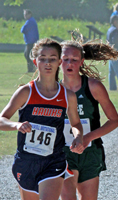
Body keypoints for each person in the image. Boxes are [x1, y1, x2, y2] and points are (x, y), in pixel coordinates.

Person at [0, 38, 84, 200]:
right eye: (43, 58)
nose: (47, 63)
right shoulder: (25, 92)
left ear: (59, 62)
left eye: (52, 59)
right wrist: (16, 125)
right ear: (35, 61)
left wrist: (78, 136)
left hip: (54, 161)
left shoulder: (67, 96)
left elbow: (75, 123)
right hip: (26, 161)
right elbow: (2, 119)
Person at [59, 34, 118, 200]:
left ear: (82, 62)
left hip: (90, 151)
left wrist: (88, 138)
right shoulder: (53, 90)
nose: (70, 63)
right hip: (64, 152)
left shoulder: (93, 87)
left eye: (74, 59)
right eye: (65, 59)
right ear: (58, 61)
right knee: (68, 196)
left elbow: (114, 120)